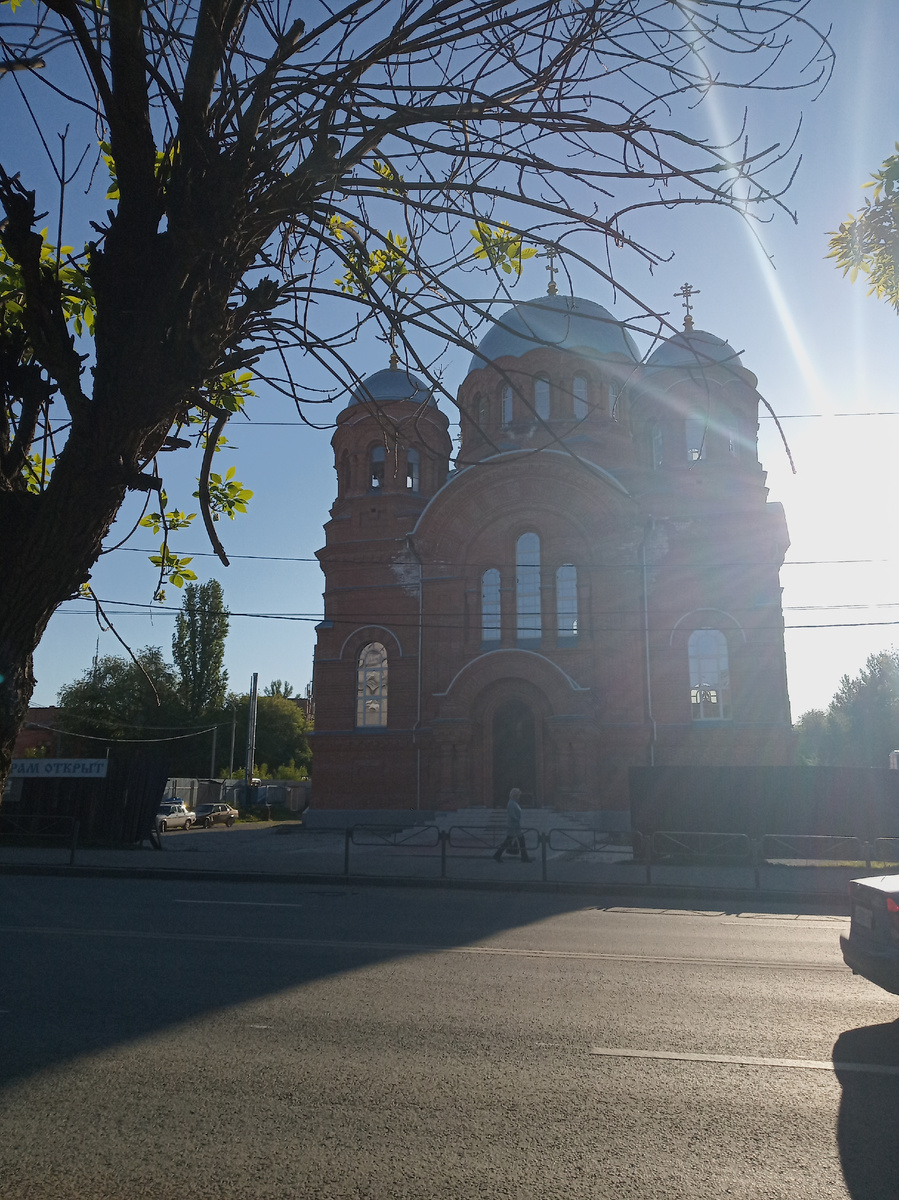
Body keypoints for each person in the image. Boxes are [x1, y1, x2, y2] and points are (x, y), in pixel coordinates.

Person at [493, 787, 533, 863]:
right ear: (515, 795)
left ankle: (497, 855)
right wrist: (518, 820)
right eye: (518, 794)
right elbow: (512, 815)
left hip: (515, 826)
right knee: (517, 841)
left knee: (509, 841)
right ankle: (524, 857)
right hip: (514, 826)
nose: (519, 796)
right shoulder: (511, 803)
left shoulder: (514, 802)